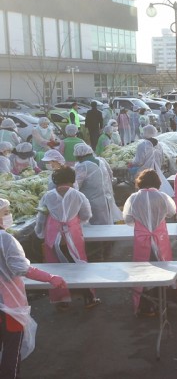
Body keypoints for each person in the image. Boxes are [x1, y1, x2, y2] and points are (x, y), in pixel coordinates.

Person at [0, 197, 67, 377]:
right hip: (7, 308)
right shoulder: (4, 239)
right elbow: (22, 269)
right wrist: (50, 277)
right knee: (11, 350)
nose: (9, 216)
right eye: (5, 213)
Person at [34, 166, 99, 310]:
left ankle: (62, 300)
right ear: (72, 179)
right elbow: (86, 214)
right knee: (79, 265)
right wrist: (76, 222)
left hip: (53, 235)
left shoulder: (48, 196)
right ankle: (88, 297)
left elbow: (41, 217)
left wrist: (40, 233)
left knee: (56, 267)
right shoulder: (78, 195)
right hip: (72, 235)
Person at [123, 168, 177, 316]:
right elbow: (171, 212)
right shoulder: (162, 197)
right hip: (159, 237)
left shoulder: (133, 198)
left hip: (142, 238)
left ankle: (146, 304)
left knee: (143, 269)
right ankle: (164, 297)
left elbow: (128, 219)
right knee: (163, 266)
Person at [74, 143, 122, 225]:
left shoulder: (82, 166)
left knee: (96, 226)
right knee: (107, 221)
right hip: (107, 197)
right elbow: (110, 175)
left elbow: (76, 185)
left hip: (92, 200)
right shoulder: (101, 160)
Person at [130, 125, 174, 196]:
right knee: (155, 191)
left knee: (144, 192)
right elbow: (162, 159)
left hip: (144, 174)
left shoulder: (142, 145)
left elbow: (139, 162)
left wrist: (131, 163)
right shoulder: (159, 145)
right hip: (156, 172)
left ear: (145, 133)